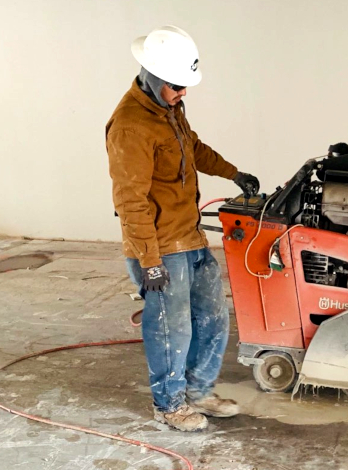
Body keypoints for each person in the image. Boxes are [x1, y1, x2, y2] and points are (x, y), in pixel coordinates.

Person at [106, 25, 259, 431]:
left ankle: (198, 391)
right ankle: (169, 404)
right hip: (158, 246)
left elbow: (193, 148)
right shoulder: (130, 126)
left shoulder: (169, 110)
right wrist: (149, 261)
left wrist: (234, 173)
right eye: (177, 86)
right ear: (152, 75)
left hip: (188, 235)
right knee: (172, 329)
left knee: (212, 316)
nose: (183, 93)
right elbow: (130, 201)